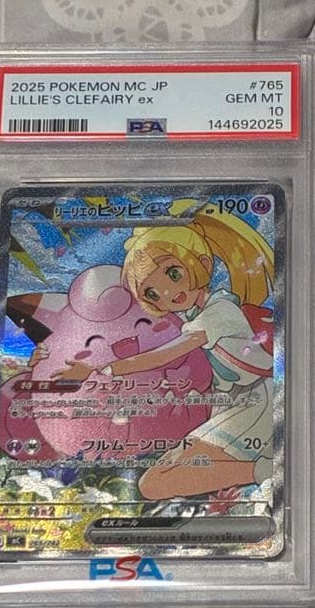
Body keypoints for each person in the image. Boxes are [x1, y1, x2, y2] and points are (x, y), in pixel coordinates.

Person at [53, 204, 274, 500]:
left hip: (254, 404)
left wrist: (101, 370)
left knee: (154, 483)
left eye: (173, 273)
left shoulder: (220, 312)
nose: (168, 293)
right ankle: (265, 469)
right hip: (227, 405)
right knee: (157, 480)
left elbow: (165, 355)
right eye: (153, 293)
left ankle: (269, 470)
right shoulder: (189, 316)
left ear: (203, 263)